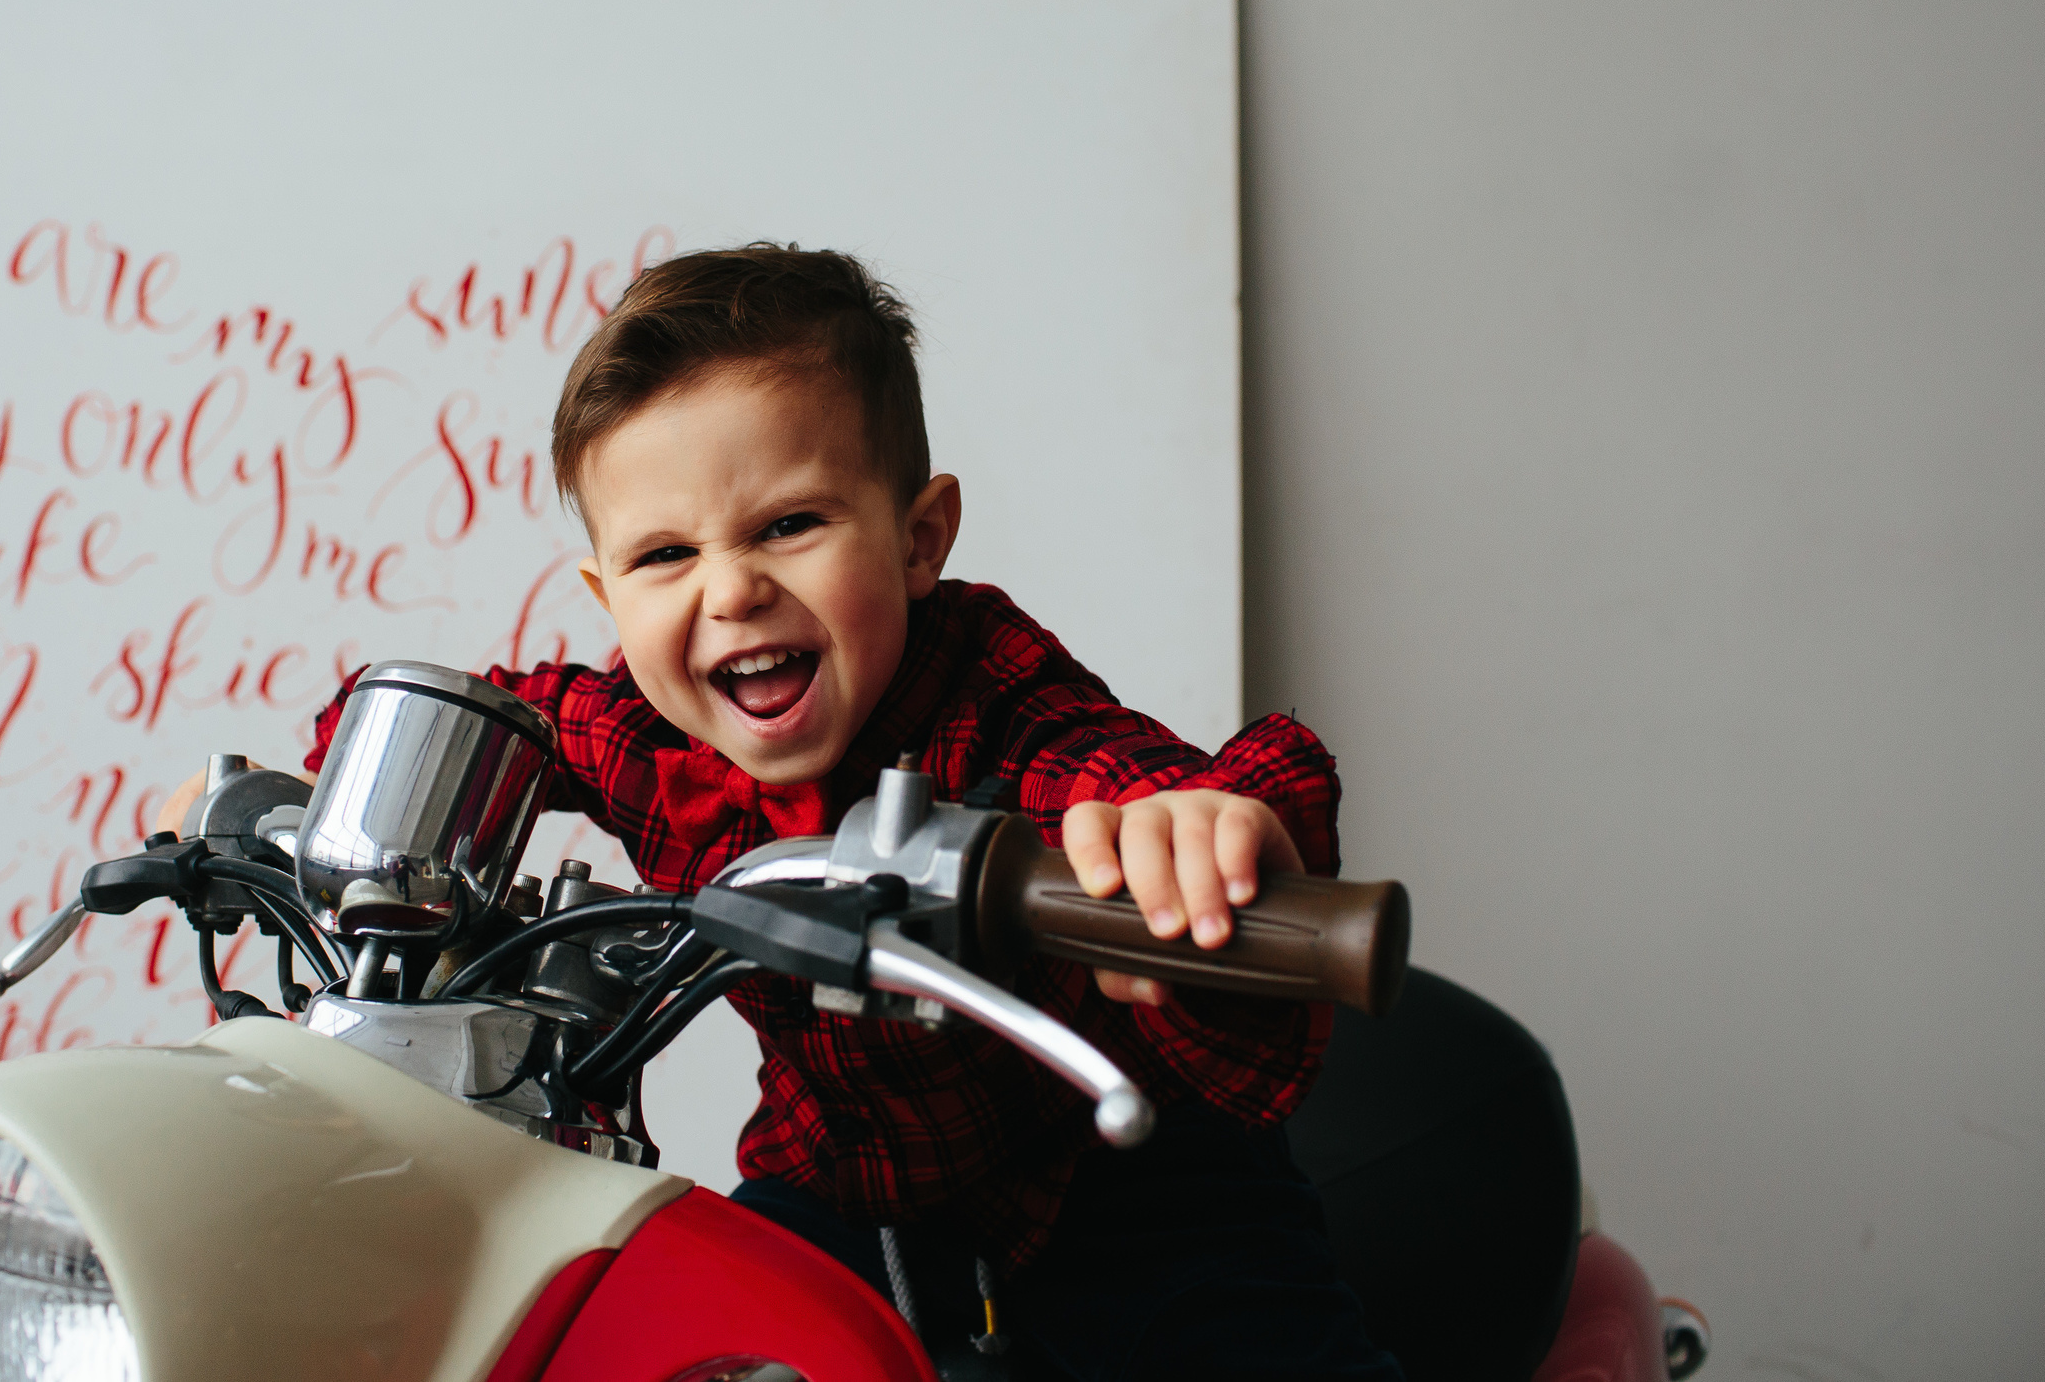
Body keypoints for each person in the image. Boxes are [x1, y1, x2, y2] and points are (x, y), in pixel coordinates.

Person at [179, 244, 1398, 1380]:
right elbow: (493, 715)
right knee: (677, 1324)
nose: (731, 587)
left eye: (791, 525)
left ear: (917, 540)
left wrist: (1187, 827)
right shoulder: (645, 736)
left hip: (1115, 1183)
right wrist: (279, 804)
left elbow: (1095, 767)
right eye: (664, 557)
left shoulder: (984, 690)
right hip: (842, 1187)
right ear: (608, 594)